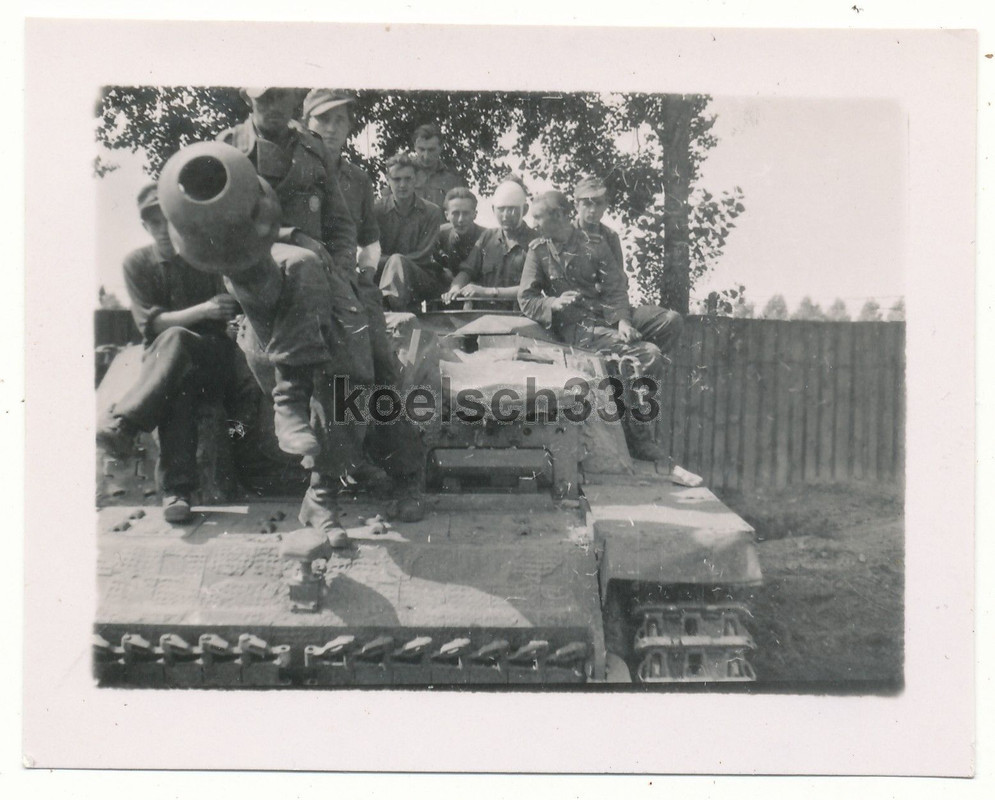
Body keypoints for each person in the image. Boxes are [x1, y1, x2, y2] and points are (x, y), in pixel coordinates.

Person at [96, 183, 239, 523]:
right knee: (177, 385)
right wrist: (204, 310)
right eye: (153, 223)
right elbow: (152, 324)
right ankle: (178, 494)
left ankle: (126, 423)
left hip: (212, 357)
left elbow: (230, 306)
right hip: (166, 364)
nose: (162, 230)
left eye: (168, 220)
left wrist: (223, 307)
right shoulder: (137, 263)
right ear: (144, 226)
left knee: (180, 350)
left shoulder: (206, 257)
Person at [518, 191, 683, 462]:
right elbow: (526, 298)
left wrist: (624, 322)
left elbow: (615, 288)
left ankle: (623, 376)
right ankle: (639, 436)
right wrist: (553, 304)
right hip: (579, 327)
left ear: (558, 215)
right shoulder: (538, 251)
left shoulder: (594, 244)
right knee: (649, 355)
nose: (532, 222)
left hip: (608, 315)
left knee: (671, 322)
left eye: (538, 217)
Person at [216, 87, 358, 273]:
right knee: (303, 263)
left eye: (282, 96)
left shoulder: (315, 149)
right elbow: (222, 226)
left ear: (296, 97)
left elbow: (341, 224)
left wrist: (341, 271)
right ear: (248, 99)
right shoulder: (230, 147)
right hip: (252, 269)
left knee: (357, 302)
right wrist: (292, 236)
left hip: (317, 270)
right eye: (265, 98)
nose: (274, 106)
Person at [573, 175, 683, 347]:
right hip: (581, 317)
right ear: (576, 205)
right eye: (587, 203)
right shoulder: (565, 236)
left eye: (598, 203)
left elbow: (618, 284)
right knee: (632, 347)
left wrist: (622, 320)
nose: (593, 210)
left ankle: (642, 370)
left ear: (606, 205)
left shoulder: (610, 237)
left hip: (611, 312)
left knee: (671, 320)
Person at [442, 180, 537, 307]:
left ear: (524, 210)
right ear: (493, 209)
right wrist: (455, 287)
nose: (506, 215)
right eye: (501, 209)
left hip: (520, 316)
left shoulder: (536, 243)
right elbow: (467, 271)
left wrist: (488, 292)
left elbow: (533, 289)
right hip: (484, 315)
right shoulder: (487, 237)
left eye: (512, 209)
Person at [374, 152, 446, 311]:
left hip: (420, 277)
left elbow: (423, 255)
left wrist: (394, 262)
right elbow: (370, 251)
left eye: (408, 179)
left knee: (397, 261)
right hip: (381, 276)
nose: (402, 185)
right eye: (397, 179)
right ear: (387, 180)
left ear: (416, 180)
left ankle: (391, 312)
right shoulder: (376, 211)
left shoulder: (431, 212)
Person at [409, 123, 467, 207]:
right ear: (415, 147)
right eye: (421, 149)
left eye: (431, 150)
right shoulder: (403, 172)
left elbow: (460, 210)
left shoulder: (452, 177)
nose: (426, 156)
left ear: (441, 148)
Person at [434, 187, 484, 278]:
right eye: (455, 214)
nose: (460, 220)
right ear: (447, 215)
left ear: (474, 214)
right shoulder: (439, 234)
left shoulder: (486, 237)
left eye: (466, 213)